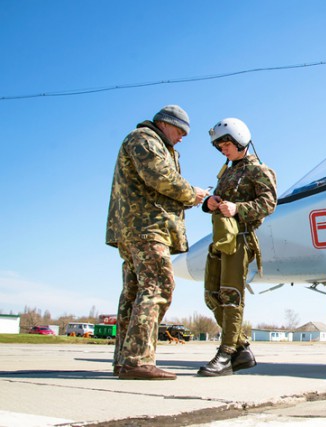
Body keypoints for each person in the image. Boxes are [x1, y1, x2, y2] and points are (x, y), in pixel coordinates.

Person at [106, 105, 209, 380]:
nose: (182, 137)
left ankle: (125, 360)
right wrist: (192, 194)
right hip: (147, 228)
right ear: (165, 124)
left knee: (134, 293)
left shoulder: (152, 142)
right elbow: (160, 176)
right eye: (180, 131)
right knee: (159, 285)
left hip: (136, 229)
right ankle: (138, 360)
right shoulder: (144, 139)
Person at [198, 118, 277, 377]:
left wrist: (238, 208)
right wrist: (210, 201)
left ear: (240, 139)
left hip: (241, 239)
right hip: (221, 239)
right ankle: (242, 348)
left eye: (226, 144)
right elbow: (219, 197)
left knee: (231, 295)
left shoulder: (259, 170)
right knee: (212, 295)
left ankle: (227, 353)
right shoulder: (228, 171)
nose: (223, 149)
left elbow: (269, 203)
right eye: (220, 146)